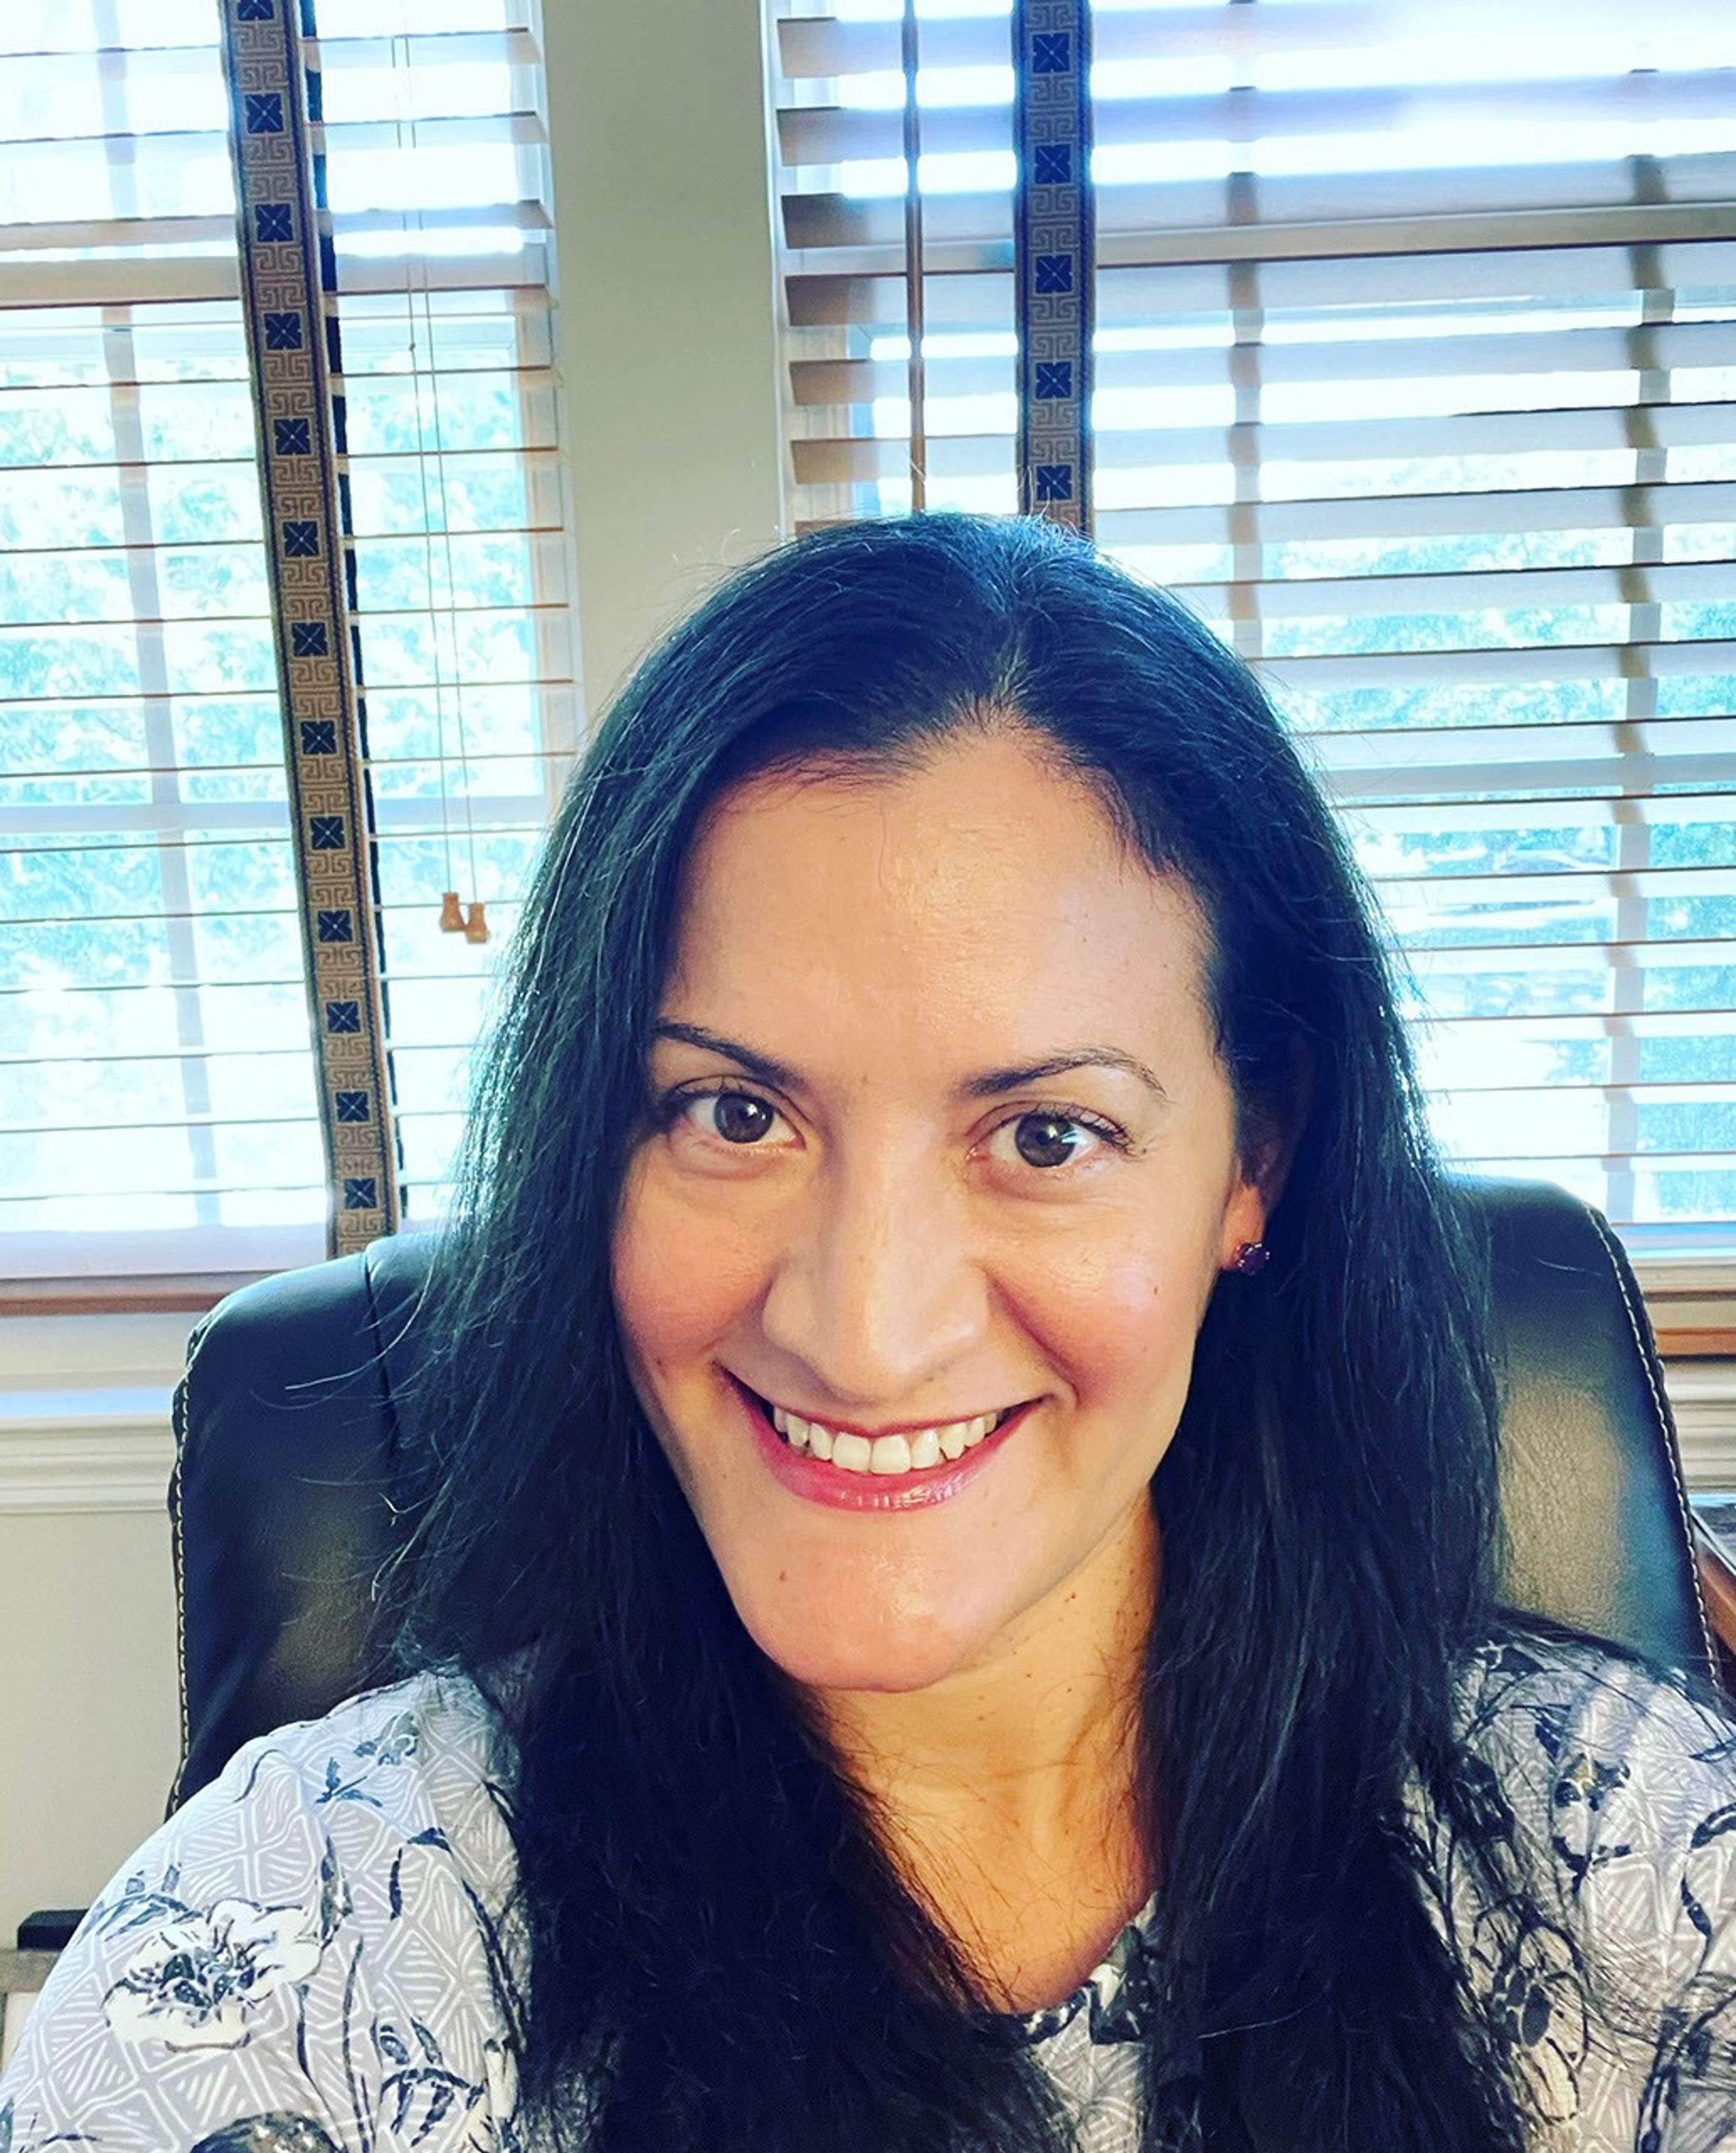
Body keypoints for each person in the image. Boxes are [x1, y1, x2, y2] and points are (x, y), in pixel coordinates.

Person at [4, 511, 1736, 2153]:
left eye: (1045, 1135)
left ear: (1252, 1161)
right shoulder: (276, 1958)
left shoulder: (1643, 1871)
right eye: (732, 1113)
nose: (865, 1327)